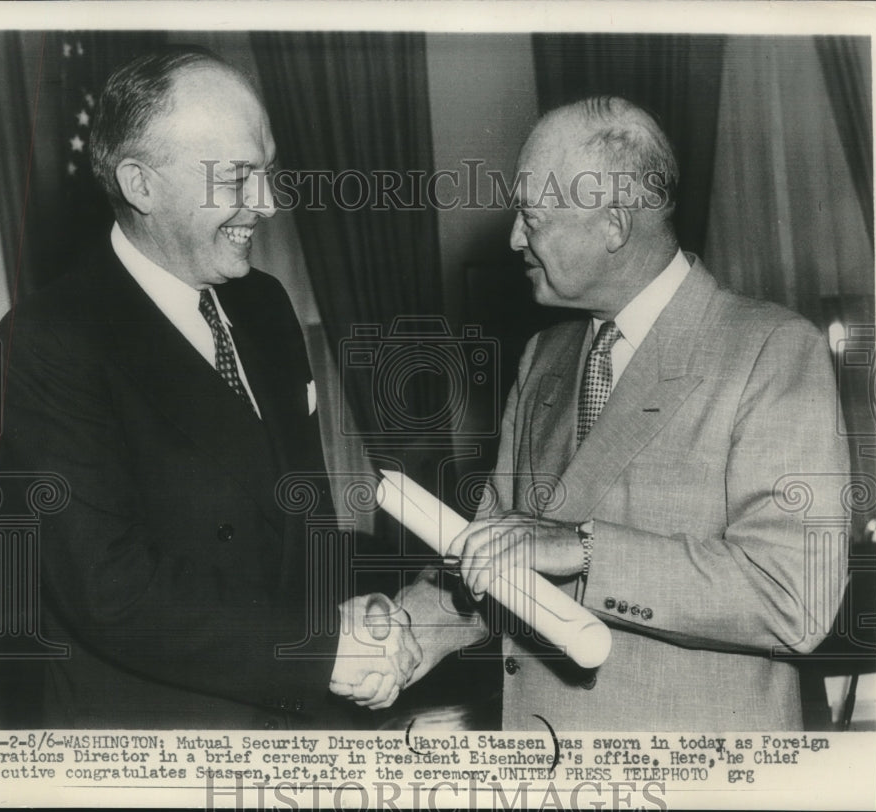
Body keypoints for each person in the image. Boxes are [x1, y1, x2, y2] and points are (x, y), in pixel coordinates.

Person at [349, 96, 850, 730]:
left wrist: (584, 550)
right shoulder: (544, 359)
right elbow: (494, 559)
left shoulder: (772, 351)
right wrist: (404, 630)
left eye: (532, 217)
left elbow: (794, 597)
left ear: (614, 224)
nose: (512, 238)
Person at [0, 48, 419, 729]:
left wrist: (355, 609)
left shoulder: (266, 306)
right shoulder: (46, 342)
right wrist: (320, 648)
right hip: (161, 741)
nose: (270, 204)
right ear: (141, 185)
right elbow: (113, 593)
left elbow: (298, 521)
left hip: (296, 719)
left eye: (268, 172)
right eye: (239, 177)